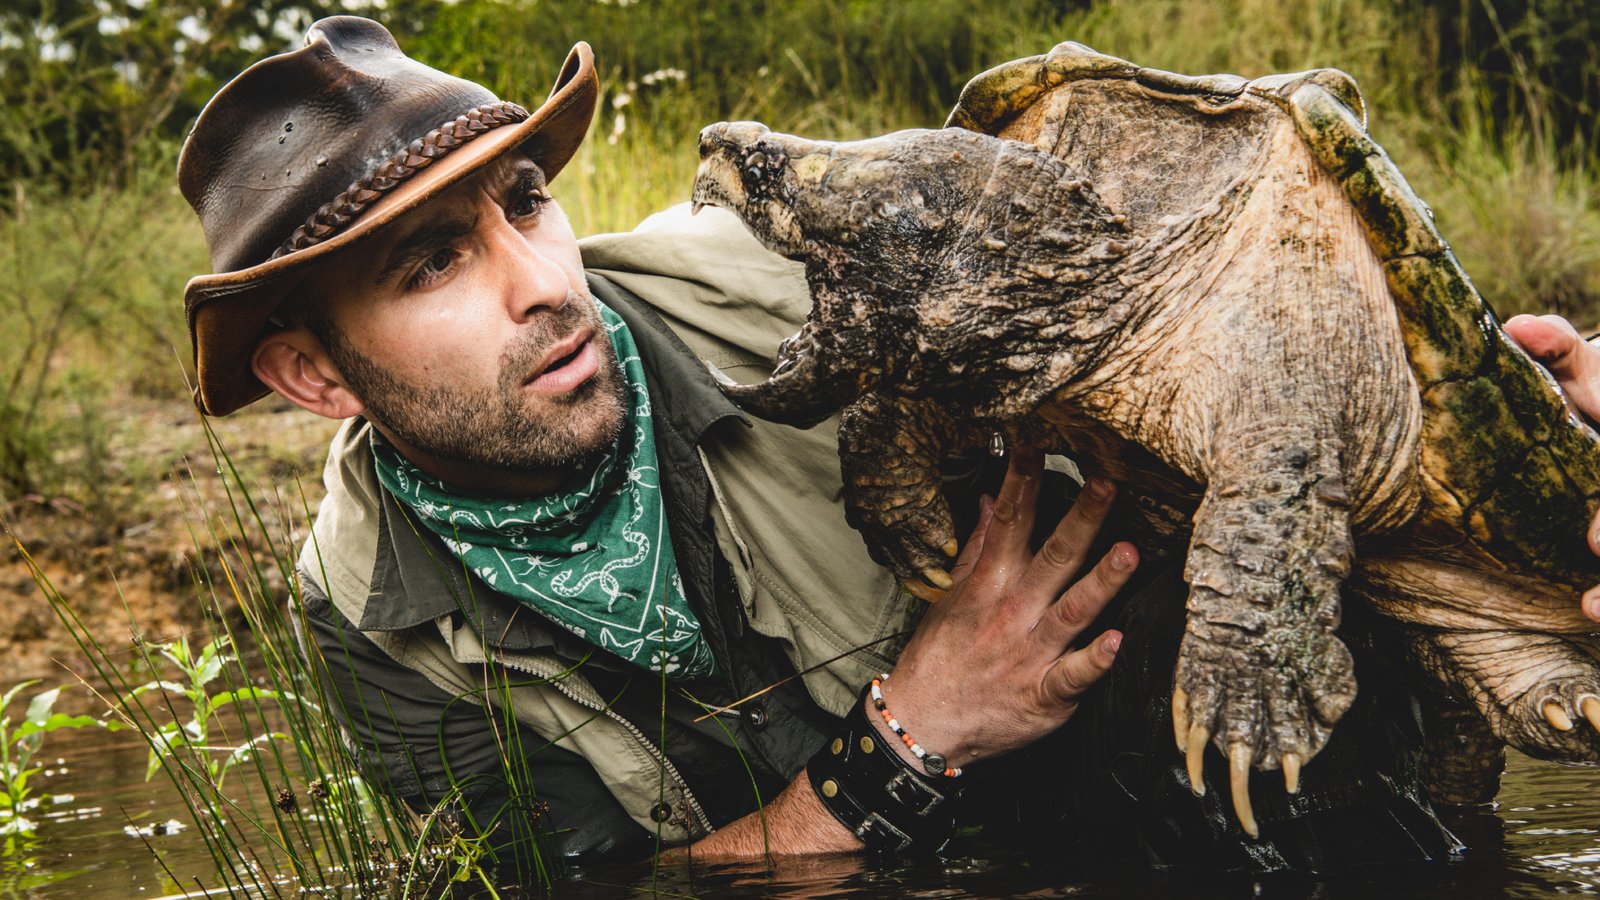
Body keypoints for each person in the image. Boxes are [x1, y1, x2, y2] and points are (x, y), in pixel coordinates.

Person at [177, 14, 1600, 877]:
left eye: (528, 199)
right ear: (312, 373)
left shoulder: (785, 275)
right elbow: (604, 890)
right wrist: (910, 737)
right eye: (433, 264)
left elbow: (1207, 247)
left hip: (1227, 778)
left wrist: (1459, 386)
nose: (543, 281)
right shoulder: (370, 622)